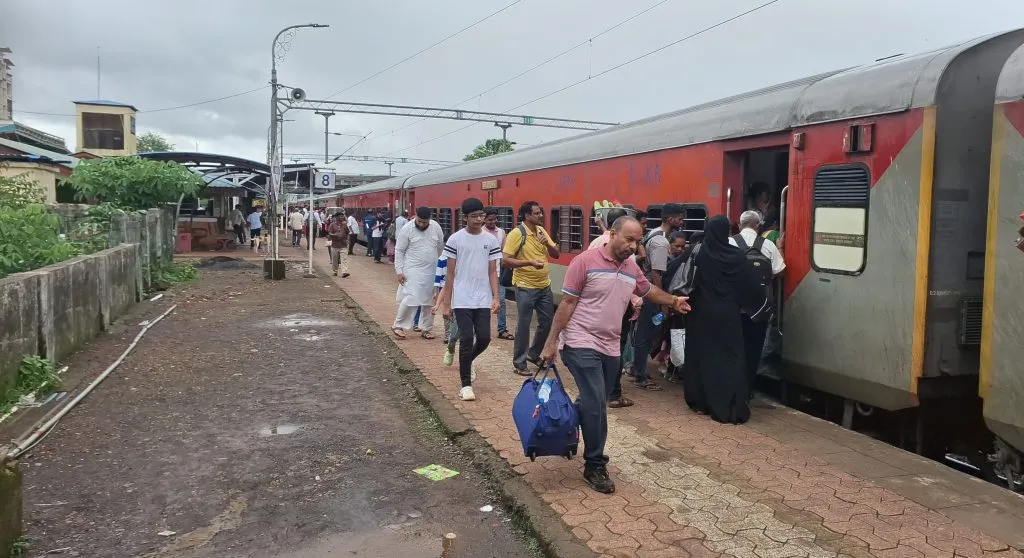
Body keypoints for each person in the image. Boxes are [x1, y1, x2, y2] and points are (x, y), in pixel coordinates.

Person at [539, 216, 690, 494]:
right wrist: (551, 343)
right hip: (580, 340)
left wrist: (673, 300)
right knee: (597, 403)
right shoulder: (584, 262)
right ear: (612, 234)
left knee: (592, 399)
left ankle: (566, 423)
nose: (633, 246)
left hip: (610, 345)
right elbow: (568, 304)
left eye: (637, 241)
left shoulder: (631, 266)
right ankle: (595, 464)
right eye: (629, 239)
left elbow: (647, 290)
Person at [684, 215, 763, 424]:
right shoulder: (737, 256)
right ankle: (727, 406)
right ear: (726, 232)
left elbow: (683, 278)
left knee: (701, 356)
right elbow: (750, 287)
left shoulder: (699, 253)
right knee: (730, 357)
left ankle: (700, 402)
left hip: (700, 312)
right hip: (728, 314)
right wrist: (757, 309)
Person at [434, 198, 501, 402]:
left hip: (482, 297)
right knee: (465, 339)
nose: (479, 219)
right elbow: (451, 273)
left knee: (484, 338)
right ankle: (465, 385)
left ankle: (467, 360)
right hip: (462, 297)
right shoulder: (455, 239)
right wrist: (446, 303)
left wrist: (496, 297)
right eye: (474, 216)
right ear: (465, 218)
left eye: (481, 215)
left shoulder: (490, 240)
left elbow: (492, 271)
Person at [630, 203, 687, 391]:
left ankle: (635, 368)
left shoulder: (653, 233)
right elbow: (657, 274)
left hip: (646, 291)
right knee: (647, 333)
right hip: (651, 295)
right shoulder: (661, 242)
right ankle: (639, 374)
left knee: (644, 332)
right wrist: (663, 301)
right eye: (680, 219)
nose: (682, 222)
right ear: (670, 219)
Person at [730, 210, 785, 393]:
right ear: (758, 226)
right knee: (754, 348)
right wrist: (780, 249)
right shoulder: (768, 245)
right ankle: (747, 388)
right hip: (760, 308)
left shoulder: (730, 243)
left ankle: (733, 385)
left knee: (734, 346)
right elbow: (779, 272)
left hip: (734, 307)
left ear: (739, 225)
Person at [502, 201, 559, 376]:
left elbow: (556, 254)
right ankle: (519, 362)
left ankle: (533, 354)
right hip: (525, 287)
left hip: (544, 286)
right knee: (524, 325)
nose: (541, 215)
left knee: (547, 323)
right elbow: (505, 260)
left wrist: (548, 244)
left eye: (540, 212)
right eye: (537, 213)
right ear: (527, 216)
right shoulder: (516, 234)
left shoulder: (541, 231)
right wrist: (529, 262)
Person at [393, 207, 445, 339]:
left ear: (429, 220)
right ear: (415, 217)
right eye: (419, 221)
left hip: (432, 269)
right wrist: (399, 271)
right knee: (411, 297)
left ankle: (426, 329)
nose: (421, 224)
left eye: (424, 222)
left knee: (429, 300)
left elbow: (440, 247)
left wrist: (441, 267)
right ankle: (398, 325)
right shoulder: (407, 229)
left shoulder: (436, 227)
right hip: (412, 268)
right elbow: (399, 251)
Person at [484, 208, 513, 341]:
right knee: (482, 301)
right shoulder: (480, 232)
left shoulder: (501, 233)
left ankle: (502, 329)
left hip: (497, 273)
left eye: (495, 219)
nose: (493, 221)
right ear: (484, 219)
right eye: (490, 219)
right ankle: (481, 328)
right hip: (482, 273)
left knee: (500, 300)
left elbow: (504, 251)